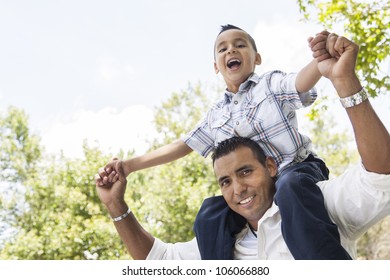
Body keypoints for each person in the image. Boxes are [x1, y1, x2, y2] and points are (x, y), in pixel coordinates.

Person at [95, 31, 390, 260]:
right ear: (216, 66)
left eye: (240, 45)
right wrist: (130, 165)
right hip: (272, 190)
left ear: (256, 58)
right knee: (210, 212)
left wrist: (321, 60)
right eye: (222, 48)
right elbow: (184, 144)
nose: (231, 50)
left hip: (298, 173)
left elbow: (299, 82)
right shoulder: (216, 114)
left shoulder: (269, 85)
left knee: (289, 189)